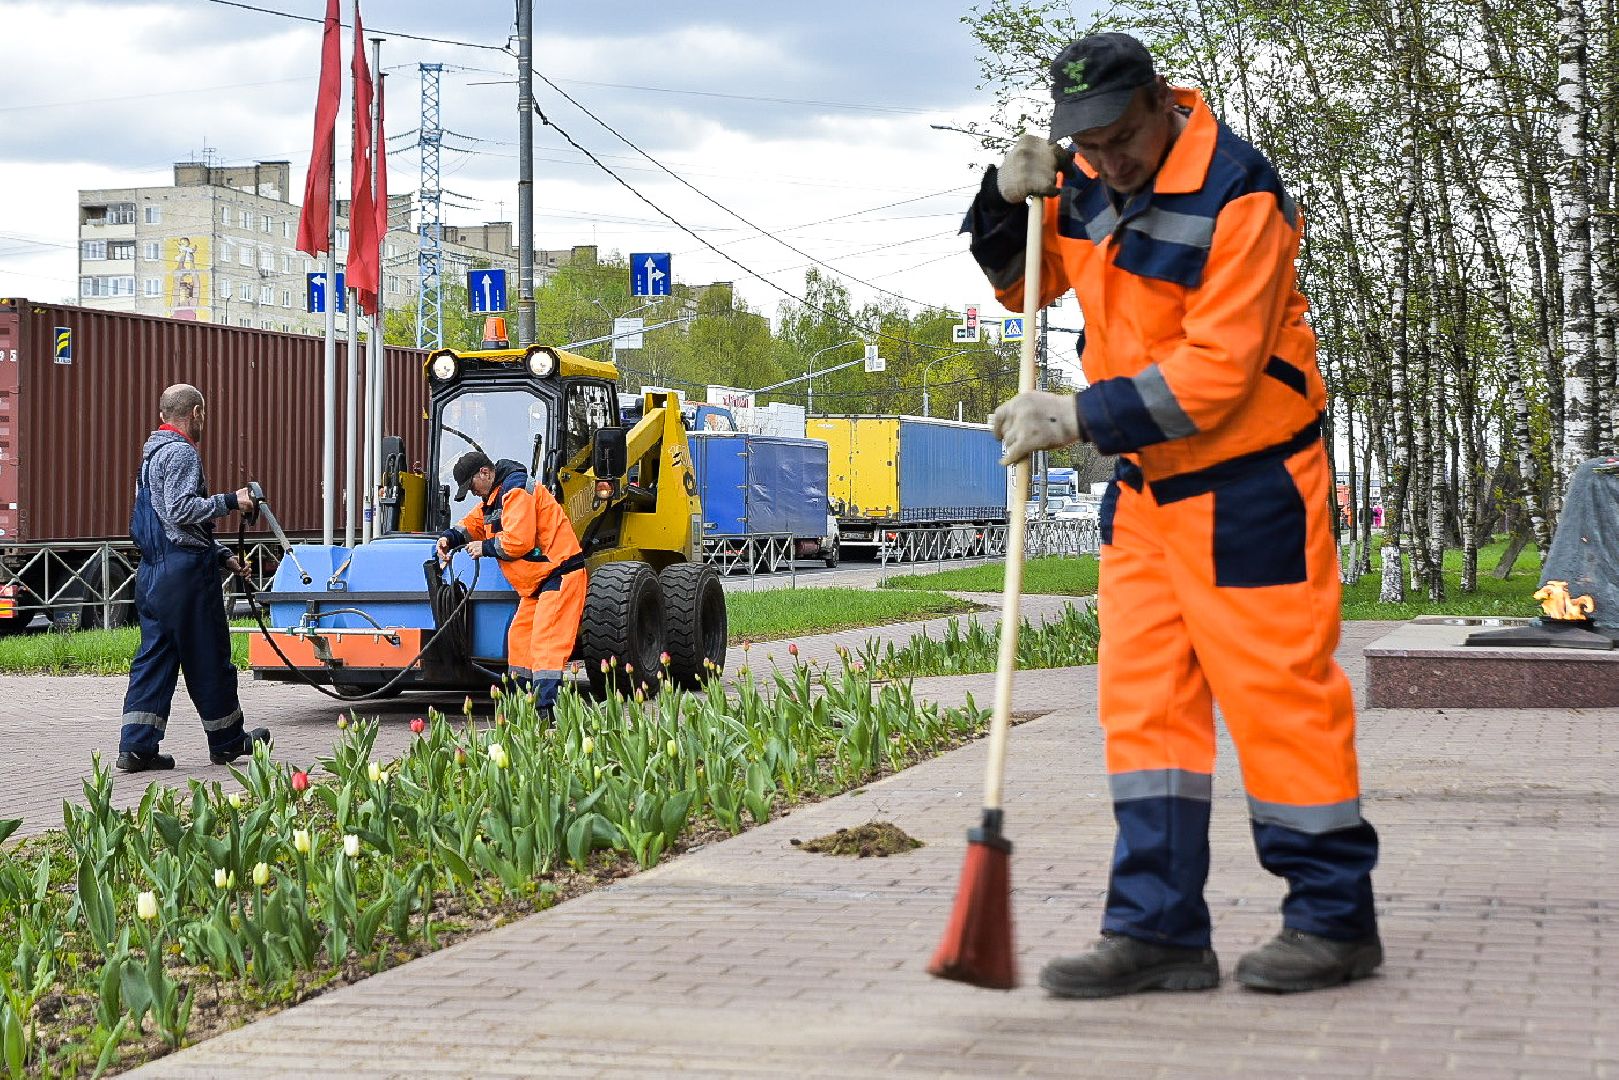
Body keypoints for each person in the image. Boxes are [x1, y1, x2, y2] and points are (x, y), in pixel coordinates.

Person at [972, 32, 1380, 997]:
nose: (1103, 162)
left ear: (1160, 103)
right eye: (1084, 146)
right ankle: (1155, 930)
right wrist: (1002, 201)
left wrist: (1075, 417)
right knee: (1144, 709)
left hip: (1251, 490)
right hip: (1149, 498)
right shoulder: (1082, 179)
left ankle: (1332, 922)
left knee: (1279, 702)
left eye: (1117, 138)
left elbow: (1218, 375)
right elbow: (1025, 284)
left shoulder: (1240, 193)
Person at [118, 384, 270, 772]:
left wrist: (221, 555)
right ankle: (228, 742)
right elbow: (181, 510)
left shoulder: (150, 456)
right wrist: (232, 500)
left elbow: (163, 521)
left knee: (155, 658)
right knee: (209, 657)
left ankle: (136, 747)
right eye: (204, 414)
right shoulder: (182, 453)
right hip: (184, 578)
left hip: (152, 575)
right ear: (197, 412)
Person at [436, 451, 587, 713]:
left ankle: (545, 712)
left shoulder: (515, 491)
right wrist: (449, 539)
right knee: (519, 640)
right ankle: (522, 705)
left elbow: (519, 541)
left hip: (559, 575)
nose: (472, 493)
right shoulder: (493, 498)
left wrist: (484, 547)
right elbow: (473, 524)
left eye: (471, 486)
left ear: (485, 473)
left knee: (546, 643)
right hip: (536, 584)